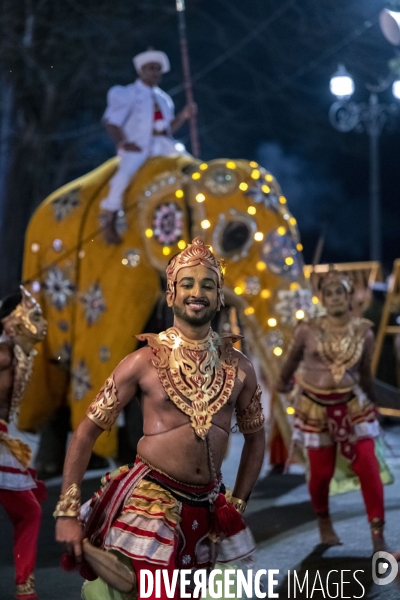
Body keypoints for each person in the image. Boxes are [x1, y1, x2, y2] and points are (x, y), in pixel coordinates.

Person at [55, 237, 266, 599]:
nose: (197, 291)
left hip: (210, 503)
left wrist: (238, 503)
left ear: (219, 297)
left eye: (207, 285)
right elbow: (86, 432)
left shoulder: (240, 367)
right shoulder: (141, 363)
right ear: (171, 294)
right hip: (152, 501)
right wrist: (67, 511)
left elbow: (256, 438)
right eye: (186, 283)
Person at [276, 269, 385, 552]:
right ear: (321, 298)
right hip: (315, 408)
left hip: (354, 406)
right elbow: (290, 363)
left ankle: (377, 534)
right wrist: (281, 383)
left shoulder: (365, 332)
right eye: (330, 293)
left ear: (350, 297)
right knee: (321, 474)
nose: (335, 298)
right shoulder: (306, 330)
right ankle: (324, 521)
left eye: (341, 292)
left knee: (367, 465)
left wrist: (374, 401)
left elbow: (364, 375)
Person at [101, 49, 195, 244]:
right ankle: (109, 218)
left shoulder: (163, 99)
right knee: (123, 176)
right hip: (138, 147)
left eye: (158, 70)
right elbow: (111, 121)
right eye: (151, 69)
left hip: (163, 145)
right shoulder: (126, 94)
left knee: (191, 167)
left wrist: (184, 116)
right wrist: (123, 142)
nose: (155, 73)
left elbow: (167, 128)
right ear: (141, 71)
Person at [0, 287, 48, 600]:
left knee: (29, 511)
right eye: (35, 316)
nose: (43, 323)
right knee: (29, 512)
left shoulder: (18, 356)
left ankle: (24, 587)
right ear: (11, 325)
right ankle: (24, 588)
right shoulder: (4, 355)